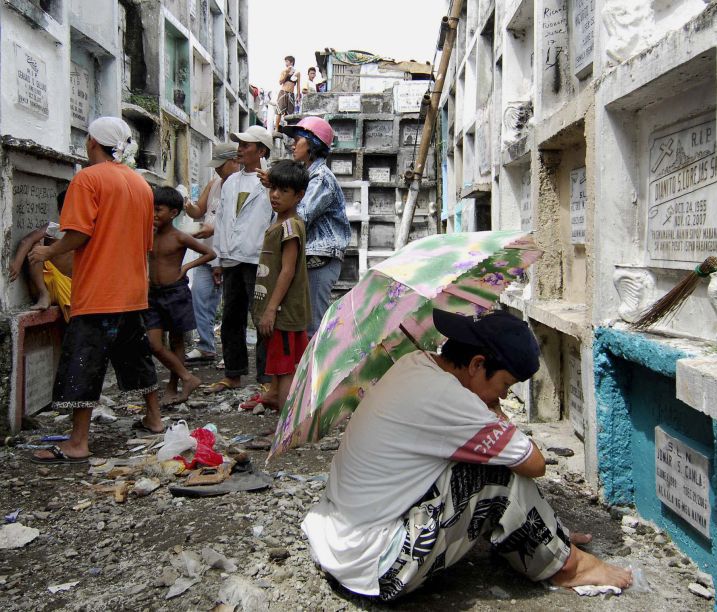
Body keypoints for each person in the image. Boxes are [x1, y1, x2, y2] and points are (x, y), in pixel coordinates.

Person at [301, 309, 634, 600]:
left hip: (342, 545)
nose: (503, 394)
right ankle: (568, 567)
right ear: (477, 364)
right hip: (380, 566)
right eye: (505, 384)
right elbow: (535, 463)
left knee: (484, 455)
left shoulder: (415, 364)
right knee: (497, 473)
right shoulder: (449, 399)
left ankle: (545, 535)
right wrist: (496, 415)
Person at [28, 116, 163, 462]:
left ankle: (78, 441)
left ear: (92, 142)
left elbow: (78, 233)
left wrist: (48, 250)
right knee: (136, 357)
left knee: (83, 363)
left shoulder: (88, 179)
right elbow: (146, 242)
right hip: (133, 289)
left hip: (98, 290)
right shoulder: (141, 185)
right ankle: (154, 418)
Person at [247, 117, 350, 410]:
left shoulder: (320, 179)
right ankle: (286, 392)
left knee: (309, 328)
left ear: (314, 145)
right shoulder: (308, 175)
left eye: (299, 139)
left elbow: (299, 214)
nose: (294, 143)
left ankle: (311, 395)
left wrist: (278, 183)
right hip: (308, 259)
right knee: (293, 332)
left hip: (320, 258)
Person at [208, 125, 273, 393]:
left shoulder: (271, 181)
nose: (241, 149)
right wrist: (217, 260)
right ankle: (233, 373)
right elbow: (222, 220)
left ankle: (266, 379)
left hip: (258, 258)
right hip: (233, 257)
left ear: (261, 150)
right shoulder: (231, 182)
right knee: (232, 317)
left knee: (261, 319)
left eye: (247, 145)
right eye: (240, 145)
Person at [146, 187, 216, 405]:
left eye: (159, 210)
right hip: (153, 294)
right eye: (152, 209)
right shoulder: (149, 235)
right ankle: (188, 378)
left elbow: (210, 254)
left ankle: (174, 385)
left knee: (177, 341)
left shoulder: (179, 237)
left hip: (176, 293)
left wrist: (186, 267)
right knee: (153, 344)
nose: (155, 214)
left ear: (173, 213)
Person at [251, 160, 311, 414]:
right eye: (273, 188)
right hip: (280, 309)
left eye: (284, 191)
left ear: (299, 195)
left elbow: (287, 270)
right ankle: (274, 396)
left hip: (284, 311)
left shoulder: (289, 226)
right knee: (278, 359)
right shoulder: (281, 222)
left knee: (285, 366)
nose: (275, 195)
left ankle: (286, 423)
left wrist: (271, 309)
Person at [182, 143, 240, 362]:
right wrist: (189, 207)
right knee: (199, 296)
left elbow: (240, 221)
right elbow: (200, 209)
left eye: (221, 165)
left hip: (230, 254)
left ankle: (232, 351)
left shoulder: (243, 186)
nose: (217, 170)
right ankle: (206, 345)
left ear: (235, 161)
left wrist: (213, 228)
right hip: (207, 251)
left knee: (231, 306)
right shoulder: (214, 183)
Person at [8, 189, 74, 320]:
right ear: (61, 211)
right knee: (36, 247)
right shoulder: (55, 228)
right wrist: (17, 263)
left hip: (72, 289)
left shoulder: (84, 234)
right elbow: (27, 240)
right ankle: (44, 295)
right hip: (48, 287)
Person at [275, 56, 300, 132]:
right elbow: (280, 82)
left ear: (291, 62)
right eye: (285, 62)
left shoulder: (297, 73)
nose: (286, 63)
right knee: (279, 111)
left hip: (291, 94)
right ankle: (276, 128)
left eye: (287, 61)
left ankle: (287, 129)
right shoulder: (284, 71)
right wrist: (286, 73)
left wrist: (298, 95)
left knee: (289, 113)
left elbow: (298, 85)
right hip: (283, 92)